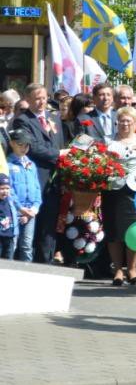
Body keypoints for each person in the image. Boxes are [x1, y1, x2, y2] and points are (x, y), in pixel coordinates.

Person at [12, 83, 65, 263]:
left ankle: (47, 262)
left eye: (44, 97)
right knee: (33, 226)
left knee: (49, 226)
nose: (41, 102)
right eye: (37, 99)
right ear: (27, 100)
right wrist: (58, 154)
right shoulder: (24, 120)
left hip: (55, 180)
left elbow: (59, 143)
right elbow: (32, 147)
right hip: (35, 179)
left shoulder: (54, 117)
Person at [102, 107, 136, 286]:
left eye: (129, 121)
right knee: (114, 231)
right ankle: (117, 270)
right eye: (122, 120)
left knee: (134, 231)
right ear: (117, 122)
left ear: (135, 123)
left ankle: (132, 269)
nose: (125, 124)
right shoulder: (108, 140)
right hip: (113, 190)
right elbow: (102, 165)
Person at [6, 128, 40, 262]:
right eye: (20, 144)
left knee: (27, 246)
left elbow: (37, 188)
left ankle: (27, 276)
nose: (24, 148)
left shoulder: (31, 164)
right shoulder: (7, 164)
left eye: (27, 145)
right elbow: (9, 189)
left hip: (30, 211)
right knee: (11, 245)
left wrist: (35, 208)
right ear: (12, 144)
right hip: (13, 210)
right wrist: (20, 208)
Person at [0, 174, 19, 259]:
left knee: (8, 261)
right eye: (2, 189)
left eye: (7, 188)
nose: (5, 191)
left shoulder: (10, 201)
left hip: (10, 237)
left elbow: (15, 214)